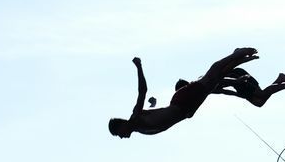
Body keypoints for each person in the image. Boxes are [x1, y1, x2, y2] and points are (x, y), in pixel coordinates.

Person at [109, 47, 261, 138]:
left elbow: (142, 90)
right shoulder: (141, 130)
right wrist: (153, 103)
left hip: (182, 102)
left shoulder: (136, 117)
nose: (121, 136)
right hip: (187, 110)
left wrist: (139, 66)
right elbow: (158, 114)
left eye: (118, 133)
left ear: (122, 124)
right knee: (213, 82)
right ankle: (238, 59)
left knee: (210, 77)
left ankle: (236, 54)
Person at [211, 67, 285, 107]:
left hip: (241, 79)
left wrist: (244, 79)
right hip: (238, 85)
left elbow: (231, 83)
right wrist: (239, 95)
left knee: (261, 94)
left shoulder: (212, 81)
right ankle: (280, 79)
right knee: (259, 103)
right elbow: (225, 92)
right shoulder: (211, 89)